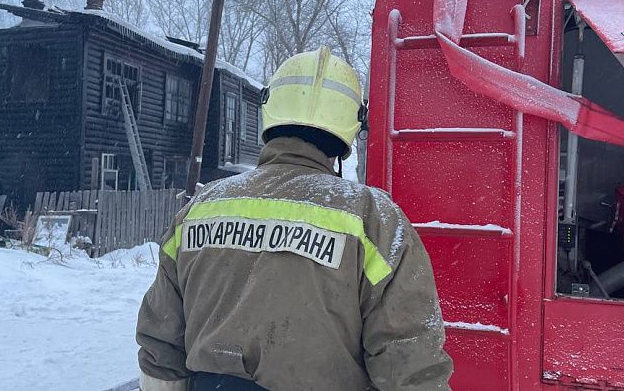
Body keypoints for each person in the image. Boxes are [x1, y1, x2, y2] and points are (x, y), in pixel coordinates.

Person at [136, 47, 452, 390]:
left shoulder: (201, 206)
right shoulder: (372, 217)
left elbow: (161, 342)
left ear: (270, 109)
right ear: (352, 125)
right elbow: (408, 358)